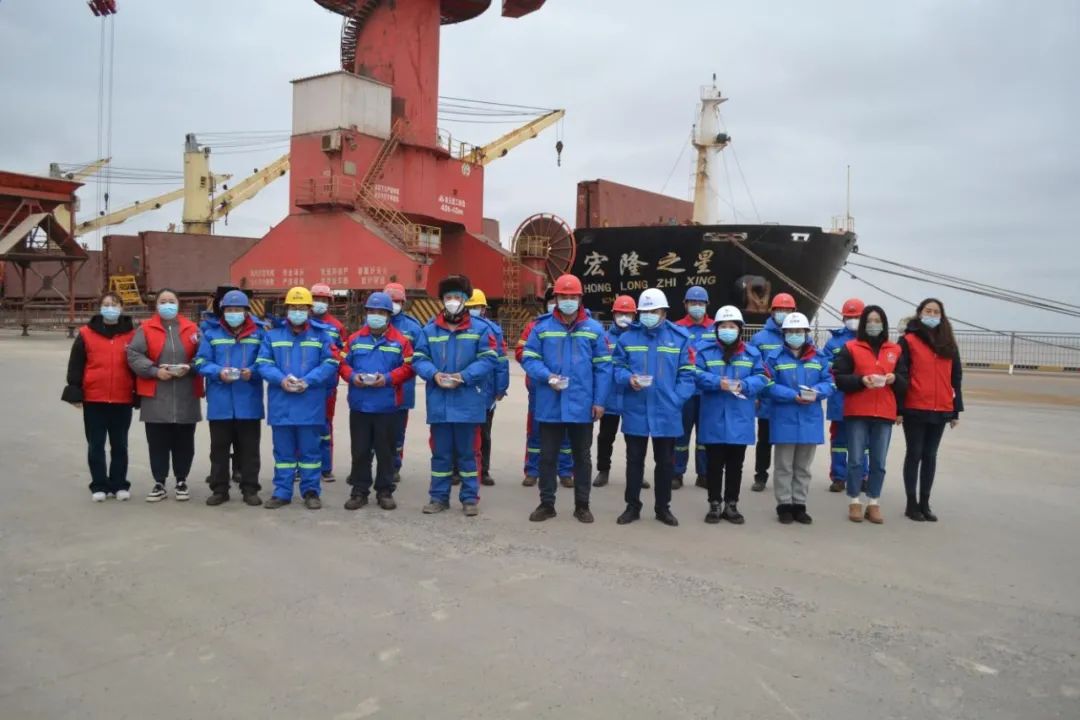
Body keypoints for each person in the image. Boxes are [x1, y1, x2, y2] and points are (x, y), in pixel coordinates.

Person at [520, 273, 611, 524]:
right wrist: (547, 376)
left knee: (581, 457)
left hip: (582, 404)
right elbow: (529, 358)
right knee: (547, 457)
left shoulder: (594, 329)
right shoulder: (541, 328)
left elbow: (604, 368)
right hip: (550, 402)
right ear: (556, 298)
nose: (568, 301)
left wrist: (600, 401)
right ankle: (546, 504)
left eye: (572, 297)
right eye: (563, 296)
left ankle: (582, 505)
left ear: (580, 299)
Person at [411, 275, 499, 517]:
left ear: (465, 300)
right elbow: (419, 358)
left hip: (468, 403)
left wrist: (464, 376)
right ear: (442, 300)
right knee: (440, 454)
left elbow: (489, 359)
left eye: (457, 297)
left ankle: (470, 498)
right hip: (439, 403)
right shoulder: (429, 330)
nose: (452, 301)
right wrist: (434, 374)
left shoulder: (481, 329)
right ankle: (438, 498)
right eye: (448, 297)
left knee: (468, 454)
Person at [612, 288, 696, 527]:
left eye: (654, 311)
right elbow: (617, 367)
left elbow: (688, 375)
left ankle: (662, 508)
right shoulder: (627, 338)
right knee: (634, 460)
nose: (649, 315)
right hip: (636, 408)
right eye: (645, 312)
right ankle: (632, 506)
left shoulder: (680, 338)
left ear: (664, 312)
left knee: (666, 462)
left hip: (666, 410)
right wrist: (628, 378)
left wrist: (676, 399)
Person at [255, 286, 340, 510]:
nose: (297, 312)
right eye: (294, 307)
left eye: (302, 307)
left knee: (310, 452)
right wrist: (281, 379)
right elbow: (263, 363)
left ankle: (311, 492)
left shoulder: (321, 335)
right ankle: (282, 492)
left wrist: (309, 380)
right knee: (283, 453)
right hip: (282, 403)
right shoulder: (272, 336)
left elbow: (330, 362)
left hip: (310, 403)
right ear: (287, 309)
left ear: (309, 310)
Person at [340, 291, 415, 511]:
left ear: (389, 315)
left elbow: (409, 367)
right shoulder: (354, 340)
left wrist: (389, 378)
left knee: (386, 452)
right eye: (371, 311)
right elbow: (342, 364)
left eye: (380, 312)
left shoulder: (401, 341)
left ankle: (385, 491)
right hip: (360, 405)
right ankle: (359, 491)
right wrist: (353, 377)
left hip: (387, 406)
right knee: (360, 451)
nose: (375, 316)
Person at [127, 289, 204, 503]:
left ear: (178, 304)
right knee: (157, 442)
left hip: (186, 393)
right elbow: (133, 354)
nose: (167, 305)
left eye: (171, 301)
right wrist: (154, 371)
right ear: (156, 305)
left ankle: (181, 480)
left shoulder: (192, 328)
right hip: (156, 395)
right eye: (163, 301)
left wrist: (190, 367)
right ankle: (159, 482)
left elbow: (204, 355)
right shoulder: (145, 329)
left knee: (184, 441)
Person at [831, 305, 906, 524]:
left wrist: (894, 379)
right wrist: (860, 380)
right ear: (864, 324)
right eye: (870, 321)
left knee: (879, 461)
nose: (873, 324)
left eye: (877, 321)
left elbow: (905, 381)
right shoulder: (850, 347)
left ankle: (873, 502)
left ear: (884, 324)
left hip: (884, 412)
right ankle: (854, 500)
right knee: (855, 459)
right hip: (857, 411)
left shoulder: (895, 350)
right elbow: (839, 377)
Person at [695, 306, 768, 524]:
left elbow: (762, 377)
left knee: (736, 464)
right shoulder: (705, 352)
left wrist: (744, 385)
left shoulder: (752, 354)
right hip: (714, 415)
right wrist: (717, 382)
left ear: (739, 329)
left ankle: (731, 504)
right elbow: (695, 374)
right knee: (714, 464)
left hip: (740, 416)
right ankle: (714, 503)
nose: (728, 330)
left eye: (732, 326)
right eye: (724, 326)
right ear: (717, 329)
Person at [62, 292, 137, 502]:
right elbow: (76, 364)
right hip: (94, 399)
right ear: (100, 308)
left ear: (122, 308)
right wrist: (75, 390)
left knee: (120, 445)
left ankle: (119, 484)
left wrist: (138, 391)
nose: (110, 308)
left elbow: (137, 364)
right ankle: (99, 485)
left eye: (114, 304)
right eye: (106, 304)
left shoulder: (132, 334)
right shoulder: (86, 334)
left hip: (122, 399)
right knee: (96, 445)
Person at [762, 312, 835, 524]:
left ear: (806, 333)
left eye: (799, 331)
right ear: (784, 333)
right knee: (784, 466)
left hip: (809, 418)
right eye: (791, 331)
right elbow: (767, 385)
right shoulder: (774, 358)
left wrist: (816, 392)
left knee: (803, 467)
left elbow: (830, 383)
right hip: (784, 417)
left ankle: (799, 504)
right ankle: (784, 505)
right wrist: (791, 395)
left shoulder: (819, 358)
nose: (795, 335)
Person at [195, 290, 266, 507]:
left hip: (248, 401)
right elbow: (201, 362)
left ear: (246, 311)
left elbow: (266, 361)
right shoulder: (211, 334)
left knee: (249, 450)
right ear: (223, 311)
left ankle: (250, 489)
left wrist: (252, 371)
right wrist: (218, 372)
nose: (233, 313)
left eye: (238, 309)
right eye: (229, 309)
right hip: (220, 402)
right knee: (219, 449)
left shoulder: (259, 334)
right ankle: (219, 489)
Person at [896, 298, 963, 522]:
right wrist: (899, 408)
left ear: (941, 316)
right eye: (928, 311)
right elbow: (901, 374)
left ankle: (925, 502)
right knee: (914, 453)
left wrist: (955, 410)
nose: (932, 315)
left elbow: (956, 377)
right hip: (915, 406)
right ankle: (911, 503)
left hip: (941, 407)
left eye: (936, 312)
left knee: (930, 455)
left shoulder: (948, 343)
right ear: (919, 313)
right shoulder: (908, 340)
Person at [515, 285, 574, 488]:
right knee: (536, 430)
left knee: (567, 432)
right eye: (551, 301)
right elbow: (521, 352)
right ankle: (533, 470)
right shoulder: (535, 326)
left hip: (567, 387)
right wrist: (544, 370)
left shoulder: (574, 326)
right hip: (540, 388)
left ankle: (565, 471)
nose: (555, 304)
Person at [749, 292, 796, 492]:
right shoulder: (760, 338)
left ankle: (788, 477)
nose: (783, 313)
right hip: (767, 398)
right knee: (765, 440)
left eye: (787, 310)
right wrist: (755, 396)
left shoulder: (798, 335)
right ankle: (760, 476)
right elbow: (752, 367)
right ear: (772, 311)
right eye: (780, 310)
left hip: (789, 398)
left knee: (788, 441)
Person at [822, 298, 870, 493]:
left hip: (863, 397)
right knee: (839, 441)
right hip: (839, 399)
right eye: (850, 317)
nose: (853, 320)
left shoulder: (871, 340)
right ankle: (839, 477)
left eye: (857, 316)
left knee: (863, 441)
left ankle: (862, 476)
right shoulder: (833, 342)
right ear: (843, 318)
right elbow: (825, 368)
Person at [464, 288, 510, 486]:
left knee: (484, 434)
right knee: (461, 433)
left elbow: (501, 362)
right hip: (463, 388)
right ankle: (459, 470)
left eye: (476, 306)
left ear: (483, 309)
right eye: (470, 307)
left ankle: (483, 471)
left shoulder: (493, 330)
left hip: (486, 391)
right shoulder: (458, 328)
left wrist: (501, 388)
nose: (473, 310)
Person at [593, 295, 636, 488]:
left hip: (631, 396)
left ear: (634, 316)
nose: (624, 317)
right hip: (610, 397)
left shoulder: (639, 338)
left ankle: (636, 472)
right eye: (620, 313)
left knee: (634, 439)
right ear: (613, 314)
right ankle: (603, 470)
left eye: (628, 314)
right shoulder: (604, 338)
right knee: (605, 437)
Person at [673, 285, 714, 489]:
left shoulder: (716, 328)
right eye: (693, 302)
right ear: (685, 304)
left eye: (700, 303)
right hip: (684, 391)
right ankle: (676, 473)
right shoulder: (676, 328)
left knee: (705, 435)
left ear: (707, 305)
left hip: (708, 392)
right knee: (680, 434)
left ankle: (704, 474)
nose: (697, 306)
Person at [384, 282, 424, 484]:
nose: (394, 305)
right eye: (390, 301)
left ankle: (394, 466)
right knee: (376, 431)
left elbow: (421, 357)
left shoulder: (413, 328)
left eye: (397, 301)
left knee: (397, 432)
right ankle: (376, 466)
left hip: (403, 390)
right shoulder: (373, 324)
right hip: (376, 390)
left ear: (403, 303)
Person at [310, 282, 345, 484]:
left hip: (327, 386)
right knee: (303, 425)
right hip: (304, 385)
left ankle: (325, 468)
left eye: (323, 300)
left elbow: (342, 355)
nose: (319, 303)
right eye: (316, 299)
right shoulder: (302, 324)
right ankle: (301, 467)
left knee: (325, 425)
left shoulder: (337, 327)